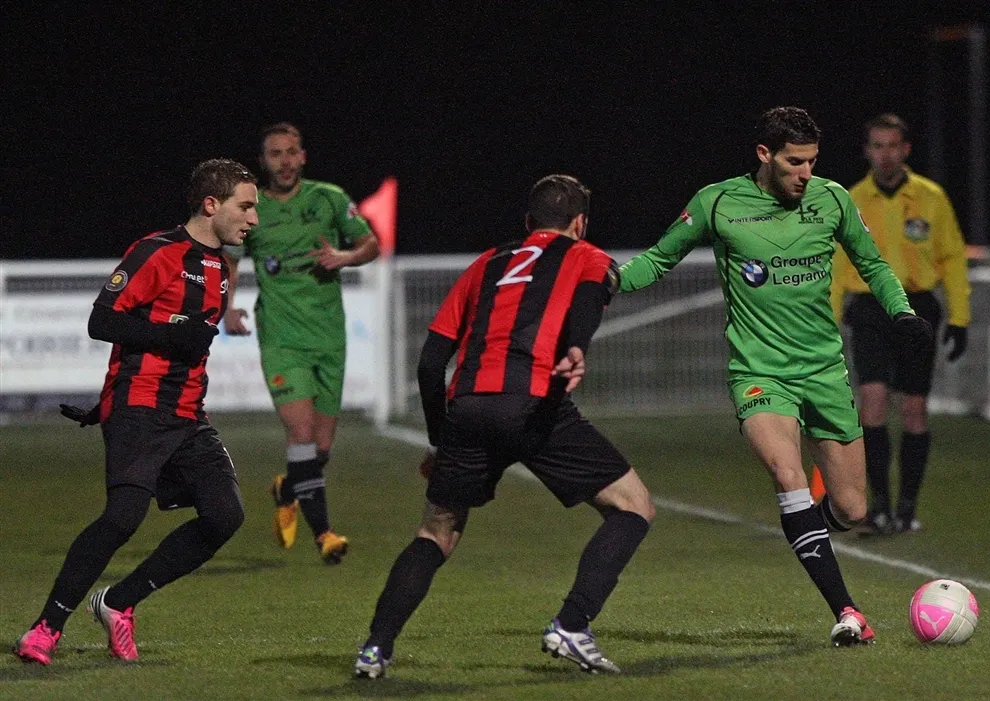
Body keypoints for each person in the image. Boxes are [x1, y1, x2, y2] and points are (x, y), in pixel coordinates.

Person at [617, 107, 934, 646]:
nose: (805, 173)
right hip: (760, 371)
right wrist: (603, 282)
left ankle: (804, 526)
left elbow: (873, 265)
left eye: (812, 161)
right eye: (794, 162)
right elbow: (657, 260)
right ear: (765, 155)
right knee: (788, 475)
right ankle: (848, 612)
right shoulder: (717, 202)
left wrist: (901, 313)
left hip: (824, 371)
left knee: (853, 509)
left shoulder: (832, 199)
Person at [353, 175, 655, 679]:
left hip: (468, 407)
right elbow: (586, 302)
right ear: (580, 224)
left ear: (529, 221)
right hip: (534, 405)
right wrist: (576, 347)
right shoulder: (587, 256)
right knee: (633, 506)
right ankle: (572, 624)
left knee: (436, 531)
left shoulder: (486, 264)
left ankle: (374, 649)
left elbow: (430, 364)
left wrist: (441, 440)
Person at [13, 158, 257, 665]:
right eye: (246, 206)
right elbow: (102, 322)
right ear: (211, 204)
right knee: (123, 517)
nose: (254, 218)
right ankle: (46, 627)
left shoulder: (223, 267)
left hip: (189, 414)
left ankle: (118, 602)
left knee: (224, 516)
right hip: (141, 406)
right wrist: (167, 341)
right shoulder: (156, 252)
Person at [223, 122, 379, 564]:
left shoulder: (329, 198)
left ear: (303, 157)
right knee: (301, 434)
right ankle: (324, 534)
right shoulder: (250, 208)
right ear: (262, 162)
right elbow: (229, 261)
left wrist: (345, 257)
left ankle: (287, 488)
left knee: (320, 448)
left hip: (328, 337)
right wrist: (227, 307)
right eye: (275, 154)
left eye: (291, 152)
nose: (285, 161)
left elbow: (370, 243)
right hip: (282, 338)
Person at [831, 113, 970, 536]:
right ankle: (879, 507)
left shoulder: (931, 197)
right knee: (872, 401)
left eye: (893, 146)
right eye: (878, 146)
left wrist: (959, 319)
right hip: (870, 308)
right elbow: (837, 265)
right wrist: (827, 320)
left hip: (918, 308)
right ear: (867, 151)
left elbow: (952, 257)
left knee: (914, 408)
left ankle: (907, 508)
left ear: (906, 149)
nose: (885, 154)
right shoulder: (851, 200)